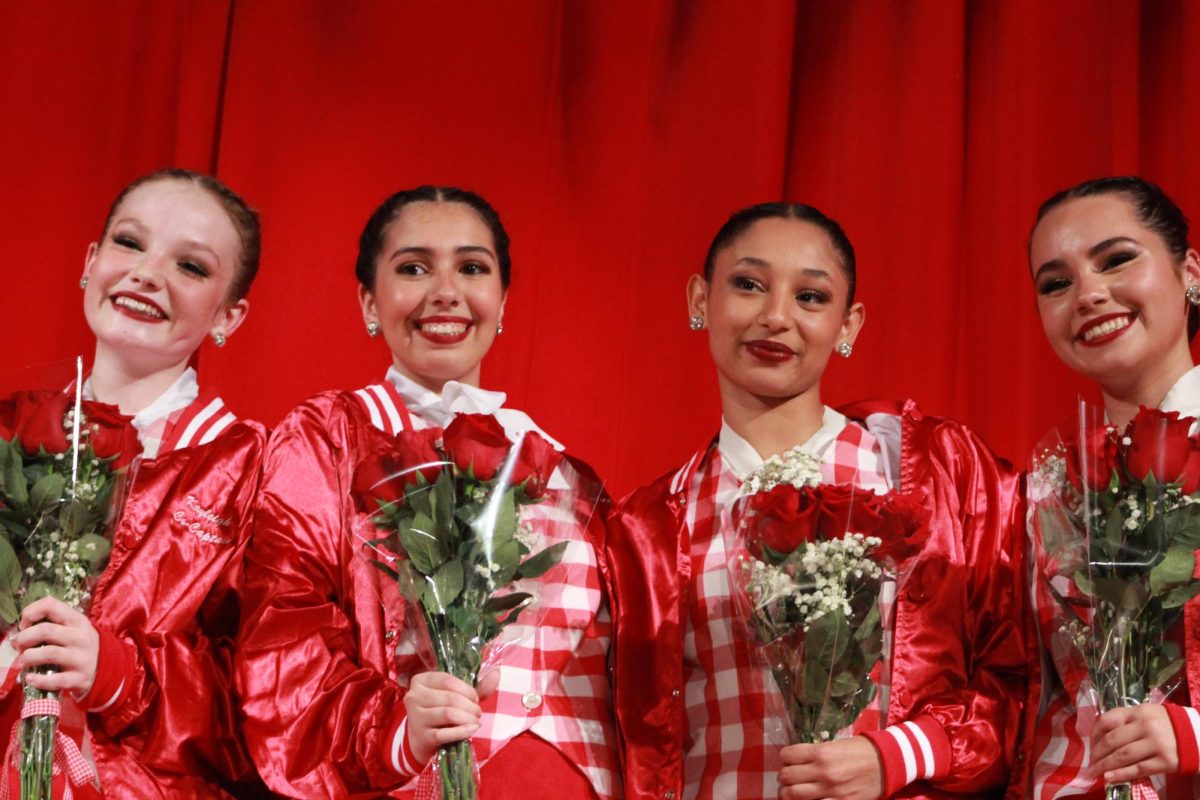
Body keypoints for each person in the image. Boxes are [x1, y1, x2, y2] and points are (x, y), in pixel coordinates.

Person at [606, 202, 1026, 800]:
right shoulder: (645, 527)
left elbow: (1021, 679)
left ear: (849, 325)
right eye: (748, 285)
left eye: (811, 297)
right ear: (701, 300)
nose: (775, 317)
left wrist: (896, 756)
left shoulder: (935, 473)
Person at [235, 186, 620, 799]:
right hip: (407, 781)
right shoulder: (330, 439)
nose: (445, 291)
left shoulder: (558, 464)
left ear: (502, 300)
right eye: (414, 268)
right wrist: (396, 733)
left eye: (471, 268)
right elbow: (286, 636)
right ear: (369, 300)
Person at [0, 168, 266, 797]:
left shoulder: (252, 469)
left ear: (231, 314)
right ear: (90, 263)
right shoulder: (8, 428)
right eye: (129, 242)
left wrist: (118, 674)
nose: (148, 273)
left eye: (192, 266)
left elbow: (269, 704)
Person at [1022, 176, 1200, 799]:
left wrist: (1196, 736)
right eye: (1057, 283)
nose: (1089, 295)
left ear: (1189, 271)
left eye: (1117, 260)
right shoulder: (1045, 487)